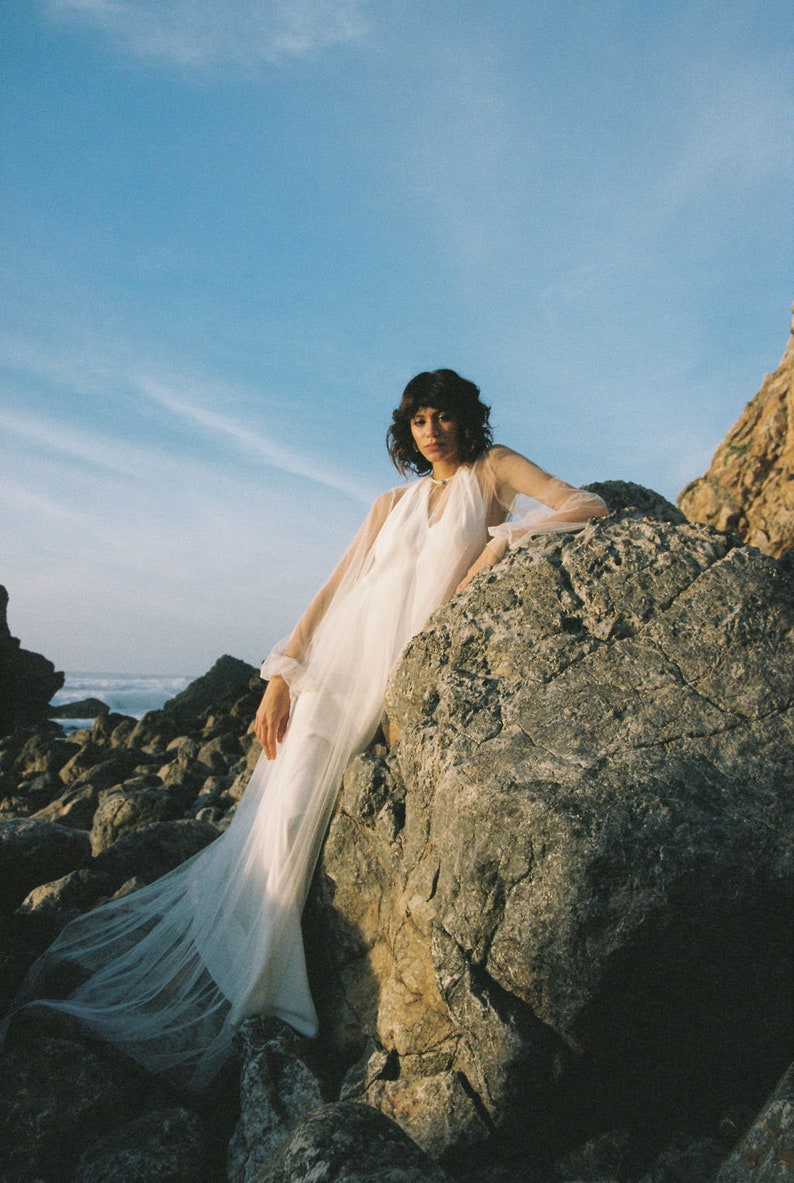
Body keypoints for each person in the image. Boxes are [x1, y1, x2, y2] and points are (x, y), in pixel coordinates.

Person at [5, 370, 607, 1091]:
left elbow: (586, 504)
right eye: (419, 420)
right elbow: (334, 589)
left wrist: (501, 543)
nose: (432, 430)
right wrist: (282, 675)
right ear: (406, 430)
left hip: (399, 675)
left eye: (443, 416)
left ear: (465, 418)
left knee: (291, 822)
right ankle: (255, 983)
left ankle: (268, 998)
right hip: (335, 676)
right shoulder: (392, 501)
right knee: (279, 818)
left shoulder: (494, 469)